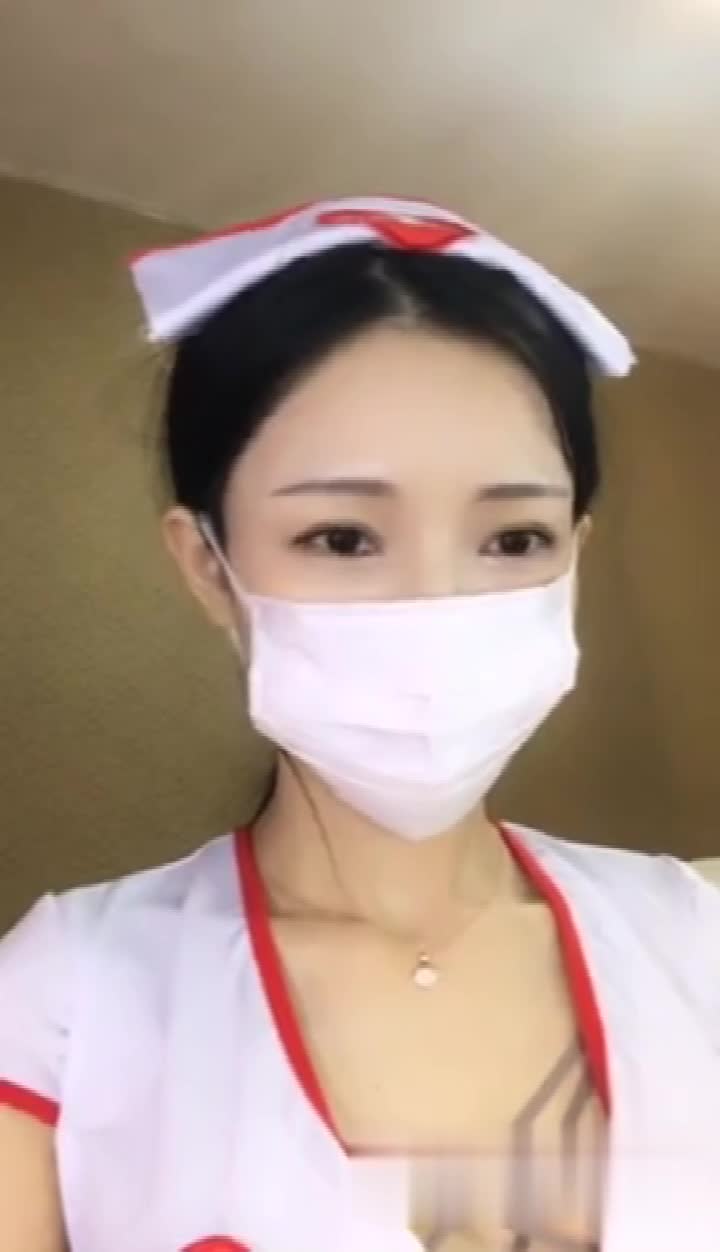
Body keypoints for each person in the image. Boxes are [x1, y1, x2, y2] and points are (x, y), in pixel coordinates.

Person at [0, 197, 718, 1252]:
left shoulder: (694, 936)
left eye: (514, 538)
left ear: (575, 552)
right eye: (342, 537)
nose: (437, 604)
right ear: (209, 567)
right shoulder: (68, 998)